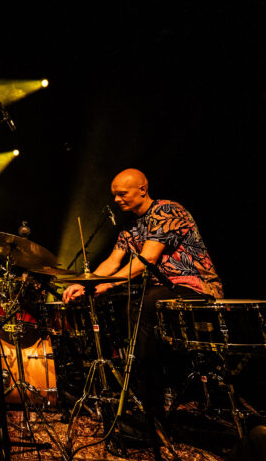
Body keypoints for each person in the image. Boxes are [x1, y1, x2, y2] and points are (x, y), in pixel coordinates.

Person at [62, 168, 223, 417]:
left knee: (142, 305)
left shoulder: (166, 211)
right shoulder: (130, 226)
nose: (116, 200)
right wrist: (87, 285)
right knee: (126, 303)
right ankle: (136, 386)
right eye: (114, 195)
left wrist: (108, 284)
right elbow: (112, 262)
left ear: (142, 190)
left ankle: (152, 404)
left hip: (194, 285)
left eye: (122, 194)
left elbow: (147, 259)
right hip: (161, 288)